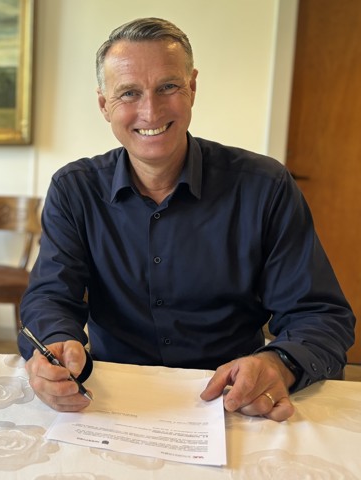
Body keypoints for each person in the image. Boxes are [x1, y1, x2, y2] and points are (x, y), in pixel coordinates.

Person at [18, 17, 355, 422]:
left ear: (192, 88)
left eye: (168, 87)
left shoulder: (265, 186)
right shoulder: (74, 189)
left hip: (235, 399)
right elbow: (51, 296)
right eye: (129, 93)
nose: (150, 110)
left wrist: (279, 362)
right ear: (104, 105)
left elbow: (319, 314)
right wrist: (55, 343)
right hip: (110, 398)